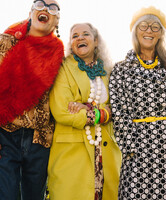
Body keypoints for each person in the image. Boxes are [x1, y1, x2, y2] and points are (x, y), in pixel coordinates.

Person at [0, 0, 64, 199]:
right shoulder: (4, 42)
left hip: (39, 140)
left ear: (56, 22)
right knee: (6, 196)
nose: (45, 8)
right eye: (39, 4)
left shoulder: (59, 55)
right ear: (30, 14)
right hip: (3, 136)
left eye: (52, 8)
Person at [109, 6, 166, 200]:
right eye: (144, 26)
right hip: (138, 148)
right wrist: (130, 146)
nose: (149, 31)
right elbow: (119, 110)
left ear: (161, 34)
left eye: (155, 27)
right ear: (135, 31)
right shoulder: (121, 69)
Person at [47, 23, 121, 200]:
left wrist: (87, 109)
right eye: (74, 36)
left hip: (106, 152)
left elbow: (119, 108)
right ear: (71, 44)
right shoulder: (62, 68)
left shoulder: (108, 71)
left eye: (85, 34)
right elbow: (62, 110)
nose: (80, 38)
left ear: (96, 41)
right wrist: (104, 114)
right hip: (71, 154)